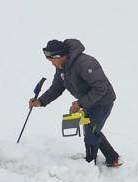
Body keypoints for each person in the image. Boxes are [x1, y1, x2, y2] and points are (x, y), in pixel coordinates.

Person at [29, 39, 122, 167]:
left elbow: (100, 88)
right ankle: (113, 158)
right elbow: (56, 88)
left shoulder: (85, 63)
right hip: (88, 102)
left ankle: (89, 164)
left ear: (60, 56)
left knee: (91, 132)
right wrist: (40, 101)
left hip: (102, 102)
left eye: (52, 60)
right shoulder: (62, 69)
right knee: (92, 130)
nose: (51, 64)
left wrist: (80, 104)